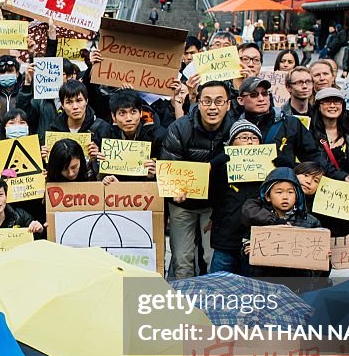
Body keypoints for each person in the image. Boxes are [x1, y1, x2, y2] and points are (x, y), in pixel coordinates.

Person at [161, 80, 233, 278]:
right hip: (183, 204)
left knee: (214, 259)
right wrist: (174, 190)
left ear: (228, 104)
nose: (212, 107)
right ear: (197, 103)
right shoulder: (179, 128)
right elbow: (170, 166)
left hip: (216, 207)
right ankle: (183, 304)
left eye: (219, 101)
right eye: (206, 101)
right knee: (182, 259)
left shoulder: (236, 130)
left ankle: (212, 305)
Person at [241, 167, 326, 291]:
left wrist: (322, 254)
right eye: (279, 192)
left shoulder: (310, 222)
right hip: (264, 284)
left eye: (290, 192)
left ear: (297, 196)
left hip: (298, 286)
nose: (285, 197)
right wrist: (246, 249)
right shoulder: (259, 220)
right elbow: (245, 243)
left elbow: (318, 260)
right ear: (268, 196)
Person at [236, 77, 330, 172]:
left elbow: (313, 158)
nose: (261, 99)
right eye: (253, 95)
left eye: (264, 93)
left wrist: (292, 167)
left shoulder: (291, 124)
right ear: (240, 100)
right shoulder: (234, 127)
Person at [207, 120, 263, 275]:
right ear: (231, 144)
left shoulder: (269, 170)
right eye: (244, 137)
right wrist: (214, 168)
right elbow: (209, 196)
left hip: (254, 244)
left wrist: (283, 168)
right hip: (225, 242)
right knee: (216, 289)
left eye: (254, 138)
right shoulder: (221, 168)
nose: (250, 142)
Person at [98, 89, 163, 182]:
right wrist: (104, 174)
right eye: (122, 113)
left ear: (140, 113)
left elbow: (167, 178)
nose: (128, 118)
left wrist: (154, 174)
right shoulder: (106, 136)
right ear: (113, 116)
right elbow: (100, 176)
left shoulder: (158, 136)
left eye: (133, 112)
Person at [43, 80, 110, 160]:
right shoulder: (54, 130)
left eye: (79, 100)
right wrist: (46, 158)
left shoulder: (103, 129)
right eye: (69, 102)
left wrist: (100, 157)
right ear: (62, 105)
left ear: (86, 101)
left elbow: (111, 163)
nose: (75, 107)